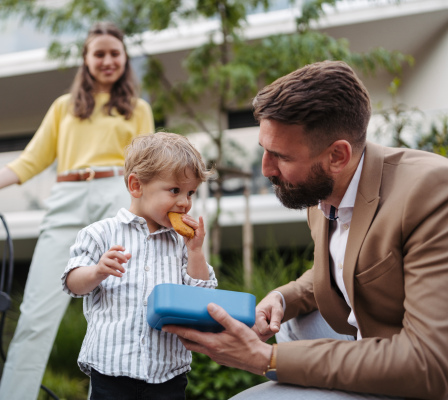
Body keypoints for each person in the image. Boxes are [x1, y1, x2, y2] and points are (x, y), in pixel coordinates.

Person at [163, 60, 448, 399]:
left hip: (417, 375)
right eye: (264, 151)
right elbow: (349, 267)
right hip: (365, 343)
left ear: (337, 156)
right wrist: (283, 297)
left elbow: (428, 363)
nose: (266, 170)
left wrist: (266, 358)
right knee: (290, 325)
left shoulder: (430, 191)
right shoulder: (323, 192)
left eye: (281, 156)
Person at [0, 22, 154, 400]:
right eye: (99, 53)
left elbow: (148, 169)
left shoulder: (138, 110)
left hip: (116, 197)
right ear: (86, 60)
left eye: (114, 54)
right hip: (67, 197)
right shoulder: (63, 108)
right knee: (36, 315)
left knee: (120, 310)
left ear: (124, 59)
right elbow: (29, 162)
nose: (107, 60)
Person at [61, 132, 218, 399]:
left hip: (167, 373)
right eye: (175, 190)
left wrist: (195, 251)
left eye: (191, 192)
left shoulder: (182, 242)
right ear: (136, 186)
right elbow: (72, 283)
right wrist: (98, 271)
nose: (184, 202)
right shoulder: (100, 234)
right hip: (110, 369)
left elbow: (203, 294)